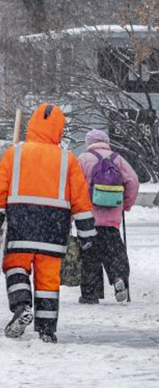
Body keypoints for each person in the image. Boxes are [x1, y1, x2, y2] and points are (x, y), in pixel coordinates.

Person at [0, 103, 96, 343]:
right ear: (58, 129)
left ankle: (21, 306)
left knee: (15, 268)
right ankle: (47, 329)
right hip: (53, 231)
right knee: (48, 280)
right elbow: (80, 199)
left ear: (33, 124)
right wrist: (87, 232)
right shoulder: (67, 160)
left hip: (20, 226)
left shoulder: (14, 154)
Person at [77, 129, 139, 304]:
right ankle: (119, 277)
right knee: (114, 251)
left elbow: (73, 186)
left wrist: (74, 211)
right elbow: (133, 181)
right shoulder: (117, 159)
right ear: (106, 142)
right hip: (112, 217)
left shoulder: (83, 159)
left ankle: (90, 294)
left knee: (90, 256)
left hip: (88, 218)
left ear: (89, 142)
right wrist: (125, 204)